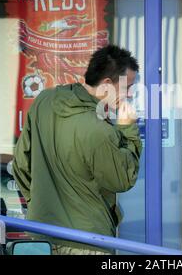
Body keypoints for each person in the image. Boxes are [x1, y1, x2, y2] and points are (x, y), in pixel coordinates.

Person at [12, 45, 142, 255]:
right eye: (127, 87)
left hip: (40, 236)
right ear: (107, 84)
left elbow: (21, 164)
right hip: (87, 243)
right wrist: (127, 129)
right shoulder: (99, 129)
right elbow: (123, 179)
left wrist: (37, 204)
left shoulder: (43, 102)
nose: (129, 95)